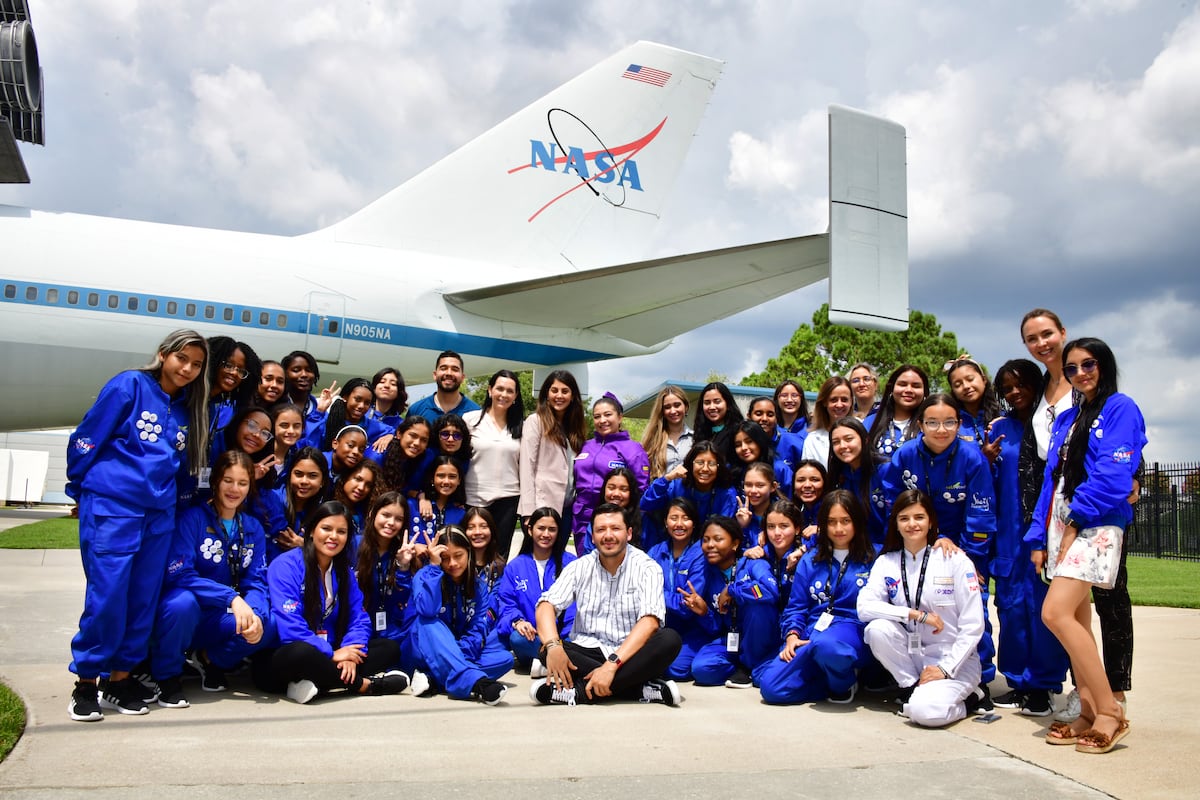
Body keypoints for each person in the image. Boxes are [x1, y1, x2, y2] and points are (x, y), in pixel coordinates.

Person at [67, 329, 210, 722]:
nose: (188, 369)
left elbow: (182, 469)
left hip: (158, 514)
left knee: (142, 598)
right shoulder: (130, 384)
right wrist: (78, 487)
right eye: (183, 358)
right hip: (114, 504)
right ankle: (85, 683)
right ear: (163, 354)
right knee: (108, 596)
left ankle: (120, 679)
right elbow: (88, 437)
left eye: (197, 365)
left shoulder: (188, 409)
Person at [1027, 338, 1144, 754]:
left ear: (1105, 365)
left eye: (1089, 364)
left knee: (1054, 612)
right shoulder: (1069, 417)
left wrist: (1077, 520)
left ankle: (1111, 709)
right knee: (1077, 618)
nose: (1081, 373)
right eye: (1072, 368)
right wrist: (1040, 536)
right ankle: (1090, 710)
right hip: (1062, 522)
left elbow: (1116, 473)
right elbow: (1051, 482)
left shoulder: (1120, 407)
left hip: (1095, 523)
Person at [880, 393, 998, 704]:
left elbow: (981, 514)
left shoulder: (972, 458)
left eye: (949, 422)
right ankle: (911, 676)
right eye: (932, 422)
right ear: (920, 424)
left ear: (960, 424)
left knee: (975, 607)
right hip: (918, 540)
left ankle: (979, 681)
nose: (941, 429)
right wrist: (924, 538)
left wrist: (971, 559)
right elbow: (895, 502)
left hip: (961, 546)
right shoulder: (905, 455)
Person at [153, 451, 274, 706]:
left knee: (266, 623)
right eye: (228, 480)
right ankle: (167, 677)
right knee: (181, 604)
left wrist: (255, 611)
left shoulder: (252, 527)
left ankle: (209, 660)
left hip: (222, 618)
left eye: (242, 483)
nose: (234, 489)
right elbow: (181, 573)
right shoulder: (192, 519)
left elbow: (256, 581)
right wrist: (231, 598)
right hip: (191, 612)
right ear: (216, 480)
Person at [531, 503, 683, 706]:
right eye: (601, 530)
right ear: (592, 537)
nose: (608, 535)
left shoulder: (647, 567)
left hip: (630, 653)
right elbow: (546, 606)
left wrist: (611, 666)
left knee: (669, 640)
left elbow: (650, 622)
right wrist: (553, 646)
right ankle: (637, 687)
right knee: (545, 649)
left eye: (615, 528)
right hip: (587, 650)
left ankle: (579, 692)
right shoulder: (580, 566)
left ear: (628, 533)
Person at [857, 490, 985, 727]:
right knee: (876, 629)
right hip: (913, 657)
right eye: (904, 518)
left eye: (919, 517)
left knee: (926, 714)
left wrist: (945, 668)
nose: (911, 524)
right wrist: (914, 615)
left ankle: (971, 699)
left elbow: (974, 625)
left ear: (931, 522)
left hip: (953, 660)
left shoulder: (954, 560)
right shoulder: (887, 562)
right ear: (895, 523)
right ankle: (910, 688)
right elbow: (864, 607)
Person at [986, 359, 1068, 717]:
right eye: (1006, 387)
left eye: (1020, 384)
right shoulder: (999, 428)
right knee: (1011, 607)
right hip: (1006, 533)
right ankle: (1018, 680)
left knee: (1041, 609)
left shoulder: (1051, 424)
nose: (1014, 392)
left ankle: (1044, 683)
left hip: (1043, 530)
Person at [266, 501, 408, 704]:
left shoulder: (344, 572)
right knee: (300, 653)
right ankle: (365, 685)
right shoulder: (285, 565)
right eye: (326, 528)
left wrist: (350, 652)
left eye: (341, 531)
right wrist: (332, 654)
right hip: (289, 653)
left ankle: (315, 683)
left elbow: (359, 618)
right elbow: (291, 629)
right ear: (311, 531)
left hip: (331, 648)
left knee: (388, 648)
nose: (334, 536)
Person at [758, 490, 876, 704]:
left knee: (828, 647)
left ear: (857, 521)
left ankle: (843, 681)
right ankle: (831, 681)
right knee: (771, 687)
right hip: (812, 633)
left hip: (853, 631)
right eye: (831, 522)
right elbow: (797, 607)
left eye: (846, 521)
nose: (838, 529)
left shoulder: (874, 557)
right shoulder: (810, 559)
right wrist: (792, 635)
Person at [402, 526, 511, 704]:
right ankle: (479, 684)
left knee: (505, 659)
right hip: (421, 648)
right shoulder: (424, 575)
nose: (452, 563)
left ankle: (433, 679)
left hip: (455, 652)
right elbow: (427, 610)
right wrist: (434, 567)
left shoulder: (478, 586)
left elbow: (478, 627)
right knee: (429, 622)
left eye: (458, 555)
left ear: (468, 553)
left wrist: (456, 653)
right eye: (445, 558)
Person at [495, 507, 577, 677]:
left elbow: (577, 605)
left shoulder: (571, 563)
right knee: (517, 639)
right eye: (541, 528)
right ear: (530, 530)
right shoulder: (515, 566)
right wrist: (518, 621)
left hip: (565, 638)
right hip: (533, 640)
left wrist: (562, 639)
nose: (546, 534)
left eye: (552, 529)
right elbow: (507, 604)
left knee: (577, 644)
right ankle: (559, 664)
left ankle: (548, 665)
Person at [572, 393, 650, 541]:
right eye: (597, 416)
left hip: (615, 519)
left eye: (608, 415)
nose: (602, 420)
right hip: (582, 519)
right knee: (586, 562)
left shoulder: (633, 449)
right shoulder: (585, 446)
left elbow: (641, 489)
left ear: (620, 417)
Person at [647, 498, 709, 681]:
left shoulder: (700, 554)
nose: (679, 524)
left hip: (691, 629)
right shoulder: (655, 552)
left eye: (686, 518)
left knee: (676, 670)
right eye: (674, 518)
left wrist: (656, 593)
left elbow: (687, 607)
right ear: (666, 522)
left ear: (694, 523)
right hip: (660, 628)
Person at [463, 370, 524, 556]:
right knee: (472, 553)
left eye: (509, 391)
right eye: (499, 389)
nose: (504, 395)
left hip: (508, 500)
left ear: (515, 396)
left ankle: (496, 586)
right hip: (473, 499)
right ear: (490, 390)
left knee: (499, 556)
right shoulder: (470, 420)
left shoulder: (523, 426)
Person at [519, 369, 586, 535]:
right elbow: (527, 467)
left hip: (567, 508)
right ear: (546, 394)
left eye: (565, 391)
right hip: (541, 508)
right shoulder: (536, 422)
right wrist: (529, 512)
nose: (559, 396)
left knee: (558, 560)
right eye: (554, 390)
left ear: (573, 396)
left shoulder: (575, 429)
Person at [639, 441, 739, 551]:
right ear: (691, 464)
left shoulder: (727, 494)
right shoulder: (678, 485)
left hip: (709, 550)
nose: (705, 469)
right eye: (700, 463)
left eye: (711, 464)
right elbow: (645, 504)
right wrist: (666, 479)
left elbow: (723, 531)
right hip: (675, 544)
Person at [825, 417, 888, 546]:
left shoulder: (885, 470)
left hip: (887, 548)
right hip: (856, 548)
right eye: (836, 442)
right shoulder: (840, 475)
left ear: (865, 440)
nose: (842, 446)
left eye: (848, 439)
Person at [261, 446, 328, 563]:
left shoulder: (322, 514)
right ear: (289, 475)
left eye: (312, 476)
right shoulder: (271, 499)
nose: (304, 481)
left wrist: (305, 545)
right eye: (298, 474)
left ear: (322, 481)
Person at [865, 365, 929, 459]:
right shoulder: (871, 422)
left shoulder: (933, 424)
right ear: (892, 388)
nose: (908, 390)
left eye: (916, 386)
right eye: (902, 384)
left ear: (925, 392)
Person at [575, 467, 643, 555]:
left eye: (623, 489)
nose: (616, 494)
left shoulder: (643, 522)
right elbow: (588, 555)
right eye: (611, 488)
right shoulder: (596, 520)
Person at [206, 336, 262, 435]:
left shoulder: (217, 403)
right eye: (228, 365)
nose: (235, 373)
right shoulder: (188, 397)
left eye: (241, 371)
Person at [406, 350, 480, 421]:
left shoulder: (476, 413)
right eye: (443, 368)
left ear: (462, 377)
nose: (449, 373)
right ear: (435, 375)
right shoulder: (416, 410)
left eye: (455, 369)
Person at [945, 356, 1001, 449]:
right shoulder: (949, 424)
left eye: (970, 379)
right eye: (958, 384)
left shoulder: (1003, 417)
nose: (966, 386)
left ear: (984, 380)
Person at [640, 385, 694, 480]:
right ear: (662, 411)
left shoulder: (696, 439)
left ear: (686, 407)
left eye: (677, 405)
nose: (673, 411)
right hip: (661, 493)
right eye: (667, 407)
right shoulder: (651, 441)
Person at [801, 376, 853, 467]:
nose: (839, 405)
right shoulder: (813, 440)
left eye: (844, 400)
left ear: (851, 401)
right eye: (834, 400)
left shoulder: (863, 429)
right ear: (824, 402)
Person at [747, 396, 804, 475]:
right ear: (749, 417)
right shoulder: (742, 442)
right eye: (758, 414)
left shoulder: (794, 442)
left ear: (776, 418)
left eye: (770, 415)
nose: (764, 418)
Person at [693, 381, 744, 466]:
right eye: (707, 402)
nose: (712, 407)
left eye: (717, 401)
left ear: (728, 404)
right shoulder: (701, 433)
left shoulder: (738, 431)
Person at [367, 367, 408, 431]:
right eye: (382, 382)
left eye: (393, 384)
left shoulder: (401, 425)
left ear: (399, 391)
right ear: (374, 387)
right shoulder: (360, 412)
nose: (386, 386)